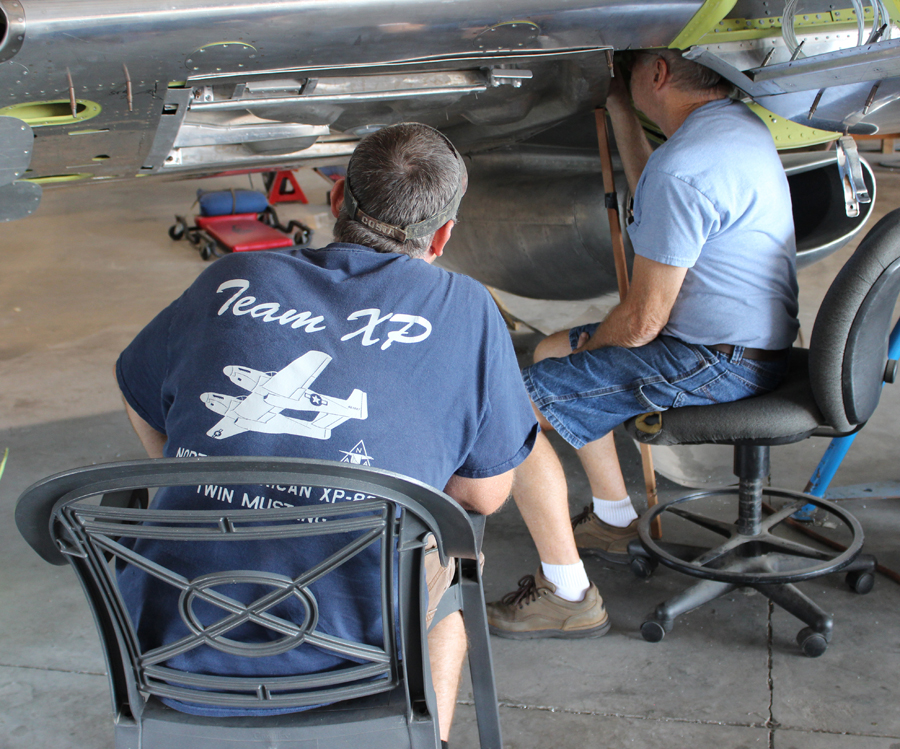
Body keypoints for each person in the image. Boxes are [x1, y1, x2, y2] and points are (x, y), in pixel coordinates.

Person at [115, 122, 538, 744]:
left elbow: (138, 396)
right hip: (355, 648)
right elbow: (485, 495)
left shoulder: (226, 278)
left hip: (169, 634)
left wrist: (196, 483)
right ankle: (426, 740)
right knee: (453, 559)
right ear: (443, 236)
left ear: (337, 200)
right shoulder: (469, 309)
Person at [487, 49, 799, 637]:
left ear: (656, 73)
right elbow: (658, 182)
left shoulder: (688, 166)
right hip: (752, 343)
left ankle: (567, 595)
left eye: (631, 71)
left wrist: (592, 353)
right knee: (552, 350)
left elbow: (638, 325)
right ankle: (613, 517)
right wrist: (618, 106)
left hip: (714, 360)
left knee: (512, 411)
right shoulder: (730, 129)